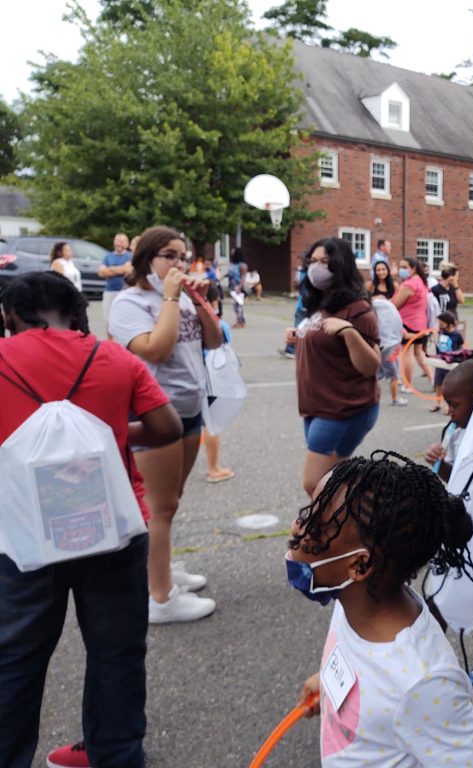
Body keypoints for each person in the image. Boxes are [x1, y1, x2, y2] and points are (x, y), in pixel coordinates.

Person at [0, 272, 182, 768]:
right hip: (112, 531)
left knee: (15, 658)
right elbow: (167, 426)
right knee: (117, 651)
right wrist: (108, 432)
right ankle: (117, 755)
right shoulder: (114, 357)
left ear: (10, 316)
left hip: (22, 538)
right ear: (77, 311)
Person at [288, 452, 473, 766]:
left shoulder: (423, 684)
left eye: (316, 527)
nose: (296, 527)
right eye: (307, 511)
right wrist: (328, 681)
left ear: (359, 565)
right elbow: (363, 664)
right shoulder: (355, 598)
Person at [109, 226, 223, 624]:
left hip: (189, 409)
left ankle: (161, 568)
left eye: (182, 255)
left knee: (171, 499)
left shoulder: (182, 299)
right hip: (153, 413)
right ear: (147, 260)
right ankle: (160, 597)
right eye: (169, 256)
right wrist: (172, 297)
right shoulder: (129, 303)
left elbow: (212, 341)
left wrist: (200, 301)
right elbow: (156, 348)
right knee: (160, 507)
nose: (178, 263)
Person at [285, 237, 381, 498]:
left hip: (343, 408)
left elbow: (371, 365)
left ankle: (343, 526)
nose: (316, 267)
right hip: (317, 405)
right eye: (313, 261)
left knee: (315, 483)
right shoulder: (320, 303)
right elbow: (321, 338)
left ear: (340, 266)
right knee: (332, 479)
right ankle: (343, 529)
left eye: (325, 262)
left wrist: (349, 333)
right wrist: (297, 335)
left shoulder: (359, 310)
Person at [423, 360, 473, 693]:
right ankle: (420, 661)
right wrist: (438, 459)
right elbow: (451, 478)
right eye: (446, 403)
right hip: (455, 526)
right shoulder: (455, 431)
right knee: (437, 595)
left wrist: (449, 468)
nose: (448, 412)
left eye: (454, 404)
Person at [203, 282, 235, 484]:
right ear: (215, 302)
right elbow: (227, 352)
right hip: (212, 377)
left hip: (192, 376)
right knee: (212, 424)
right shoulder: (220, 325)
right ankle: (213, 468)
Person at [391, 255, 433, 389]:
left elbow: (396, 304)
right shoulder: (421, 281)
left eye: (404, 267)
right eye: (400, 267)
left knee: (406, 353)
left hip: (408, 322)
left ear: (413, 268)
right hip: (421, 323)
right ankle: (433, 380)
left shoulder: (409, 284)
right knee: (419, 352)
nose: (401, 270)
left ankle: (408, 384)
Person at [371, 288, 407, 407]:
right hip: (390, 356)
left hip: (384, 354)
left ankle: (370, 396)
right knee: (394, 378)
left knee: (376, 376)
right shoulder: (390, 324)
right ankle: (395, 399)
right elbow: (404, 334)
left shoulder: (380, 324)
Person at [430, 310, 464, 412]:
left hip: (451, 363)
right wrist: (435, 336)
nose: (439, 325)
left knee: (448, 385)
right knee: (438, 384)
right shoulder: (440, 332)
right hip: (441, 362)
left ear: (449, 323)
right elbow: (439, 347)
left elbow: (461, 348)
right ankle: (437, 403)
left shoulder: (457, 335)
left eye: (442, 323)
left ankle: (448, 405)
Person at [99, 233, 132, 330]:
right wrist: (121, 269)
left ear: (127, 244)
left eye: (122, 242)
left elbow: (128, 270)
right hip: (109, 291)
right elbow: (101, 273)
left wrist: (110, 269)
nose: (119, 244)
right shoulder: (107, 256)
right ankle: (110, 343)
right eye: (117, 241)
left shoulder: (130, 256)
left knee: (124, 318)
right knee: (109, 320)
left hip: (125, 291)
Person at [281, 255, 310, 360]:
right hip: (300, 304)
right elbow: (296, 287)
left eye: (304, 260)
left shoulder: (313, 274)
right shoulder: (300, 272)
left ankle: (293, 350)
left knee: (300, 328)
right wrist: (296, 282)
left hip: (309, 306)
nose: (302, 262)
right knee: (297, 327)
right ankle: (290, 349)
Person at [227, 247, 248, 328]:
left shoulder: (242, 265)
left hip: (238, 286)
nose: (232, 254)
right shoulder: (232, 264)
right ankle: (239, 320)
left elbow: (243, 277)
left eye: (233, 252)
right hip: (232, 286)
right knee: (235, 305)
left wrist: (240, 286)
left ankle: (241, 321)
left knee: (238, 305)